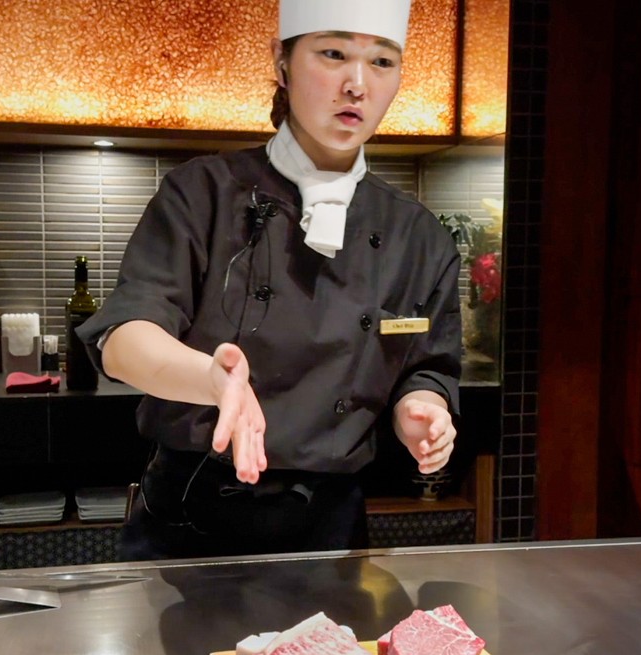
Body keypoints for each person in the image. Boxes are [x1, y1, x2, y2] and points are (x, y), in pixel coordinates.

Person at [77, 0, 461, 561]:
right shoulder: (201, 193)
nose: (357, 84)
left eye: (382, 61)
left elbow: (427, 363)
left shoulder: (419, 235)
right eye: (333, 54)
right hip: (190, 520)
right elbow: (126, 338)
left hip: (331, 530)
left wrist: (420, 409)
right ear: (281, 63)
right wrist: (210, 379)